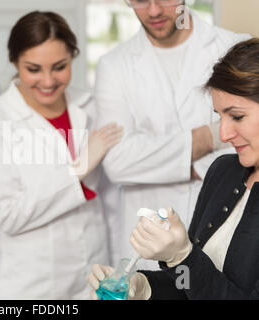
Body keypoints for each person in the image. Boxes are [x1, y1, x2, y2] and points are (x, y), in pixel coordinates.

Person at [89, 38, 259, 300]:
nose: (223, 134)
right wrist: (143, 287)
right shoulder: (225, 171)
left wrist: (183, 257)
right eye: (219, 116)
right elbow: (189, 288)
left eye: (236, 116)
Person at [0, 11, 124, 300]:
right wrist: (77, 169)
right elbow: (9, 216)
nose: (48, 81)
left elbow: (110, 198)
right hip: (31, 282)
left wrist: (118, 267)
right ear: (15, 62)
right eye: (33, 69)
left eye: (59, 67)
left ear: (73, 58)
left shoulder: (90, 106)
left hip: (93, 269)